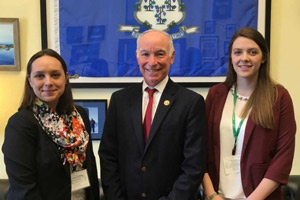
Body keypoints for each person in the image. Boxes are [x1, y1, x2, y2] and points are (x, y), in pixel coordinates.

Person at [99, 29, 207, 200]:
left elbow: (194, 166)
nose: (152, 62)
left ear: (172, 57)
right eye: (145, 54)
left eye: (160, 54)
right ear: (137, 56)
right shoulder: (120, 100)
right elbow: (108, 157)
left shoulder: (191, 103)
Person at [202, 27, 296, 200]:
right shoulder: (216, 95)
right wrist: (211, 194)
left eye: (252, 52)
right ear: (231, 58)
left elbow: (283, 157)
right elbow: (200, 149)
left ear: (264, 58)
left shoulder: (279, 97)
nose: (244, 58)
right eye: (238, 52)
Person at [2, 49, 100, 200]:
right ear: (30, 80)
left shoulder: (80, 115)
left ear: (66, 78)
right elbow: (25, 189)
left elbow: (90, 167)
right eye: (40, 76)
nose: (48, 82)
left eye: (55, 75)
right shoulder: (21, 124)